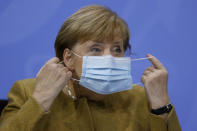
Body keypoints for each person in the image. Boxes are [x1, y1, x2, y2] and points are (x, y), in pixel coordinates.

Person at [0, 5, 181, 131]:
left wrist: (161, 106)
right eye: (96, 49)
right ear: (68, 58)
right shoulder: (27, 91)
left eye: (117, 49)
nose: (109, 58)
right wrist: (40, 99)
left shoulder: (139, 98)